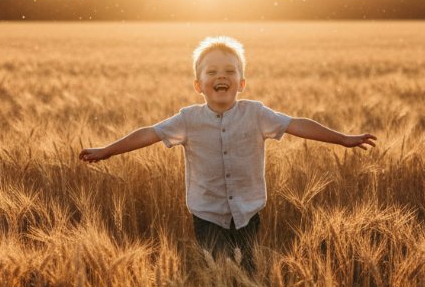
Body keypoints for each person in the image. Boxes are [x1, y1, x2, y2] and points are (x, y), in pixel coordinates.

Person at [78, 36, 375, 272]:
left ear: (242, 83)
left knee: (248, 273)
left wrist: (342, 139)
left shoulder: (256, 114)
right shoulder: (187, 119)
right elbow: (149, 133)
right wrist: (107, 151)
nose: (222, 76)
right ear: (199, 86)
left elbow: (296, 124)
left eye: (230, 71)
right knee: (215, 273)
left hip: (248, 212)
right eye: (212, 72)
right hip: (207, 215)